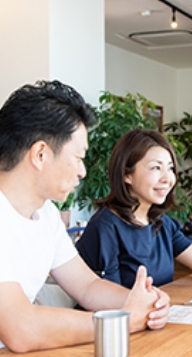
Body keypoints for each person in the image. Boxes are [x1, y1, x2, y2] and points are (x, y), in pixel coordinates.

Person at [0, 81, 169, 353]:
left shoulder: (46, 215)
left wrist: (143, 303)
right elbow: (22, 329)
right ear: (41, 154)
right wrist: (124, 321)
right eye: (79, 157)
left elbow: (87, 286)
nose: (82, 172)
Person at [76, 129, 192, 290]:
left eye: (170, 168)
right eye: (156, 168)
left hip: (155, 317)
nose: (167, 178)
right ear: (126, 175)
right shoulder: (106, 226)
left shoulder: (161, 223)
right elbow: (108, 297)